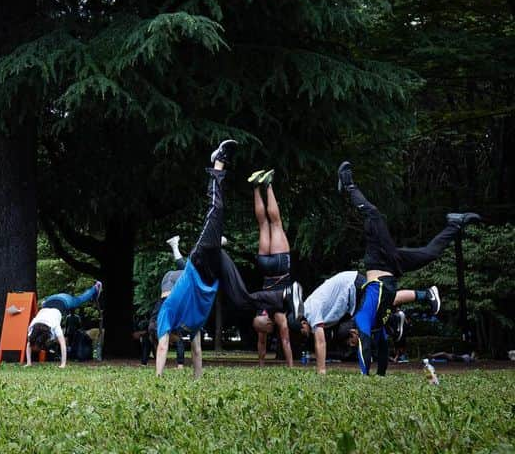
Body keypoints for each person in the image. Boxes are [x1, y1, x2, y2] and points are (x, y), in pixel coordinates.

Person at [154, 141, 304, 377]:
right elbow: (197, 352)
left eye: (173, 340)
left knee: (216, 211)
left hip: (200, 261)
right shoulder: (190, 326)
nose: (175, 341)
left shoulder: (166, 315)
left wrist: (158, 379)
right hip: (214, 271)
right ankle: (285, 295)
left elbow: (162, 346)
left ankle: (218, 161)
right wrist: (197, 380)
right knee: (242, 299)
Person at [337, 161, 480, 375]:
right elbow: (383, 347)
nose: (355, 340)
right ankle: (454, 224)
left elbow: (363, 343)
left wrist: (365, 377)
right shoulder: (378, 322)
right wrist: (381, 377)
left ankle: (348, 185)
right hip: (393, 264)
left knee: (373, 214)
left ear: (353, 332)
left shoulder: (363, 319)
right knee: (429, 254)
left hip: (378, 261)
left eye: (352, 339)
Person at [298, 270, 439, 375]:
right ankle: (394, 323)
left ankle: (425, 295)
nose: (305, 334)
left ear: (303, 323)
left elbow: (321, 342)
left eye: (302, 333)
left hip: (352, 285)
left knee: (386, 301)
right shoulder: (315, 311)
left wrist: (321, 370)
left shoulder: (310, 310)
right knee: (379, 313)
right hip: (351, 293)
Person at [247, 169, 295, 367]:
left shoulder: (277, 315)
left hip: (279, 265)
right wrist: (291, 367)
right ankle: (257, 186)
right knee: (264, 224)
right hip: (265, 267)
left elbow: (278, 340)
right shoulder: (265, 312)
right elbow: (284, 341)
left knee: (275, 223)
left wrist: (261, 364)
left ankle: (268, 184)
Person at [24, 281, 102, 368]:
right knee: (77, 301)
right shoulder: (32, 328)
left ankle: (96, 287)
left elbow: (63, 344)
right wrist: (29, 363)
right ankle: (94, 297)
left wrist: (63, 364)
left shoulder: (53, 326)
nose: (34, 349)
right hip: (49, 300)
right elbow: (29, 344)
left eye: (36, 347)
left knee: (79, 300)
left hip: (64, 300)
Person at [142, 237, 187, 367]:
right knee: (187, 272)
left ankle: (174, 245)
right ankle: (174, 245)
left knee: (187, 271)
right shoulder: (161, 328)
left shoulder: (158, 328)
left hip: (167, 284)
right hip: (167, 286)